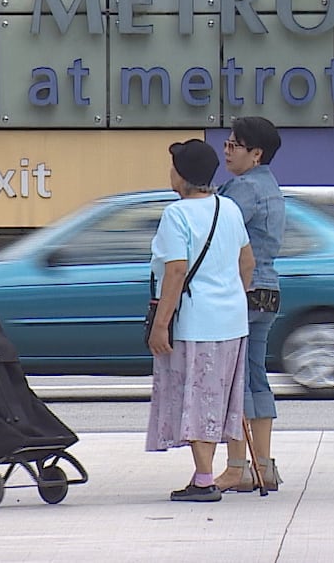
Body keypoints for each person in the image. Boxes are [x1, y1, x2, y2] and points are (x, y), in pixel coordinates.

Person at [146, 139, 255, 503]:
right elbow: (247, 262)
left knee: (196, 396)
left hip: (196, 323)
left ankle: (205, 479)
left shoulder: (176, 215)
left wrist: (161, 325)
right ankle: (205, 473)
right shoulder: (229, 207)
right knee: (220, 396)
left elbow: (175, 272)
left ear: (182, 175)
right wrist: (232, 296)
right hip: (233, 321)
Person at [214, 117, 286, 493]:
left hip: (240, 290)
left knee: (235, 378)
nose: (226, 150)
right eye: (226, 143)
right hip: (269, 289)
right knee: (257, 375)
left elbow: (220, 234)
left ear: (256, 153)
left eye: (234, 145)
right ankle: (264, 463)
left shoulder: (242, 189)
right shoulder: (272, 188)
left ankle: (237, 465)